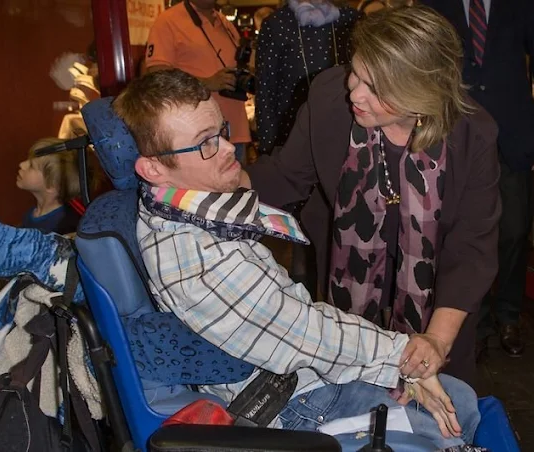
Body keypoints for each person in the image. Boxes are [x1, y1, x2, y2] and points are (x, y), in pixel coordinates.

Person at [113, 68, 482, 451]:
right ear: (153, 168)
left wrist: (401, 363)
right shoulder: (199, 260)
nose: (227, 148)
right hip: (289, 403)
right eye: (204, 144)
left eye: (221, 131)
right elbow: (302, 332)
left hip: (296, 374)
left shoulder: (192, 213)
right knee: (452, 425)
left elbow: (297, 325)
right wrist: (405, 360)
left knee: (464, 405)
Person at [244, 5, 501, 386]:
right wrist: (208, 182)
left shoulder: (472, 136)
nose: (355, 93)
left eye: (376, 88)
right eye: (356, 72)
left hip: (436, 308)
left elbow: (471, 251)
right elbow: (284, 176)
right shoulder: (330, 98)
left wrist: (435, 339)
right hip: (346, 305)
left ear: (421, 94)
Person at [421, 0, 534, 358]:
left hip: (515, 134)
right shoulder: (433, 4)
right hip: (457, 133)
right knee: (463, 232)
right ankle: (475, 321)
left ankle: (509, 313)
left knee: (514, 231)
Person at [145, 0, 251, 164]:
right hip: (198, 140)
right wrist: (207, 82)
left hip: (235, 131)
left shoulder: (225, 23)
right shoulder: (167, 21)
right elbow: (157, 76)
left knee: (239, 189)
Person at [255, 0, 360, 155]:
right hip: (293, 133)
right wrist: (267, 148)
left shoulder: (351, 19)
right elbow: (265, 90)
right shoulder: (277, 24)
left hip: (346, 127)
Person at [16, 138, 84, 235]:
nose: (22, 165)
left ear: (52, 185)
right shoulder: (32, 214)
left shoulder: (63, 226)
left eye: (31, 166)